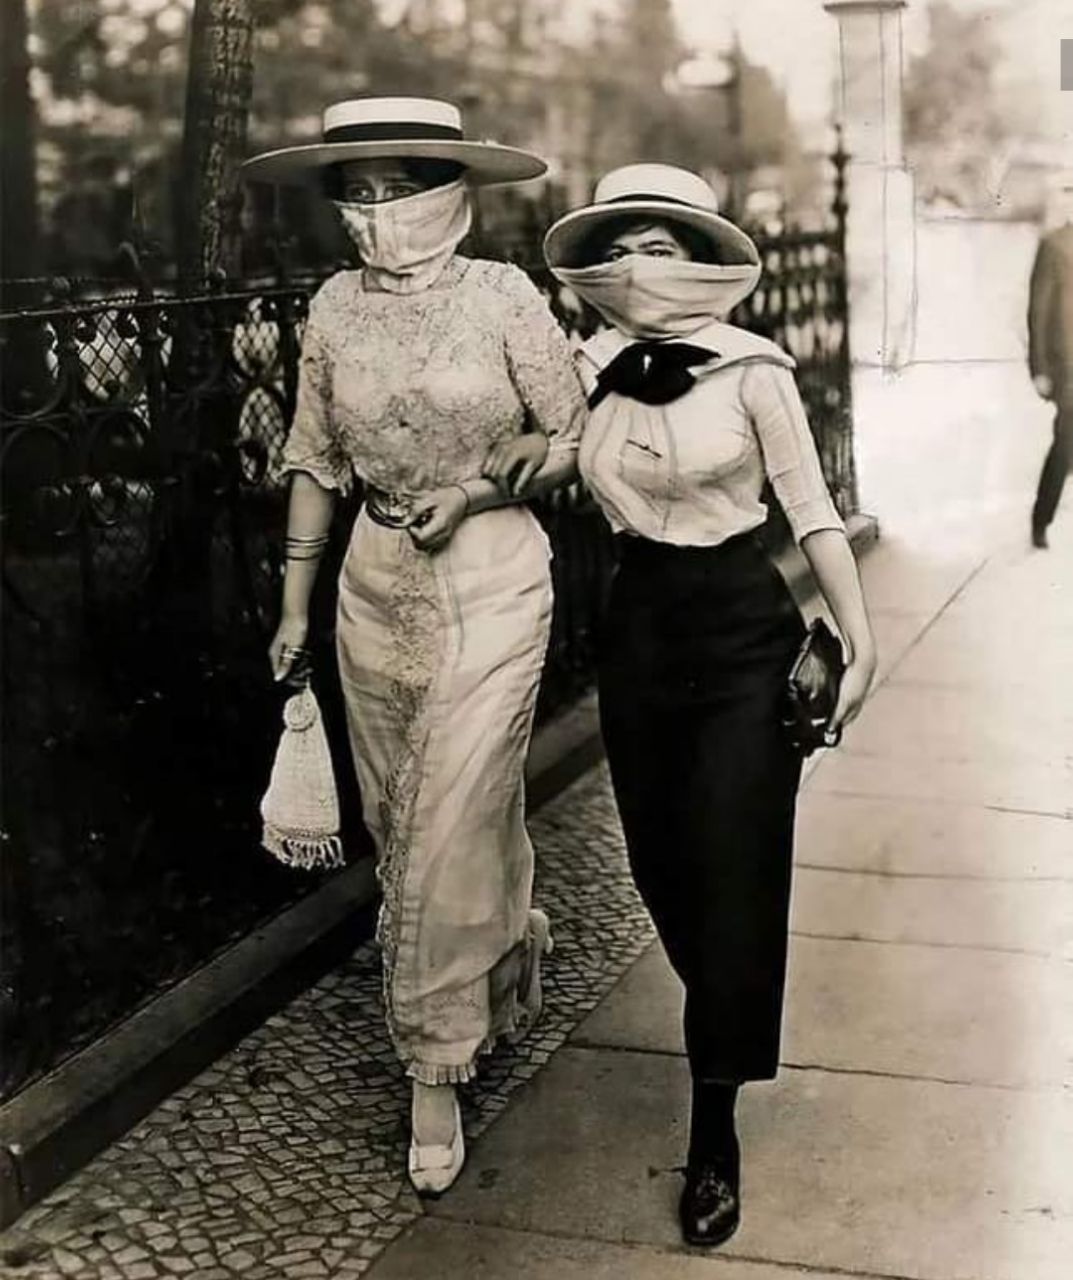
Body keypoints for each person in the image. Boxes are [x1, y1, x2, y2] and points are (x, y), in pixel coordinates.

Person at [243, 97, 585, 1197]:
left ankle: (433, 1070)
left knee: (448, 823)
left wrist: (484, 486)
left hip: (492, 578)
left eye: (400, 188)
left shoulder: (502, 296)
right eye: (357, 192)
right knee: (407, 821)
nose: (377, 211)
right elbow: (313, 458)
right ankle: (506, 937)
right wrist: (295, 605)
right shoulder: (333, 307)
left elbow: (572, 434)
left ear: (451, 190)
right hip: (372, 586)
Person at [544, 165, 877, 1248]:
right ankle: (727, 1003)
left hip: (742, 627)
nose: (639, 267)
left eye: (660, 246)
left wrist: (859, 638)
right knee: (661, 867)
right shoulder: (581, 370)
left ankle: (712, 1126)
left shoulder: (753, 371)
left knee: (734, 864)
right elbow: (544, 461)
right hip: (639, 628)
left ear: (698, 262)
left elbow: (811, 507)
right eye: (621, 248)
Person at [1028, 172, 1073, 549]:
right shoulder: (1054, 245)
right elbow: (1038, 312)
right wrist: (1039, 367)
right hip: (1067, 367)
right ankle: (1041, 519)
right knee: (1065, 445)